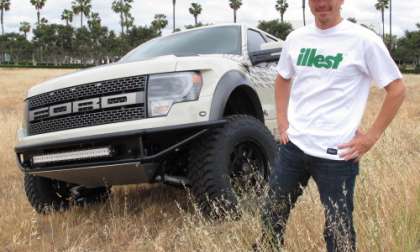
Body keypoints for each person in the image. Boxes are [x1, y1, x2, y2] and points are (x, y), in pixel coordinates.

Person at [258, 0, 406, 251]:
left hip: (337, 155)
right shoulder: (296, 38)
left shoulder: (363, 40)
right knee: (272, 214)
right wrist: (283, 123)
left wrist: (370, 137)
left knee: (339, 231)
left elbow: (397, 89)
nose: (322, 3)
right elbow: (283, 78)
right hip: (293, 148)